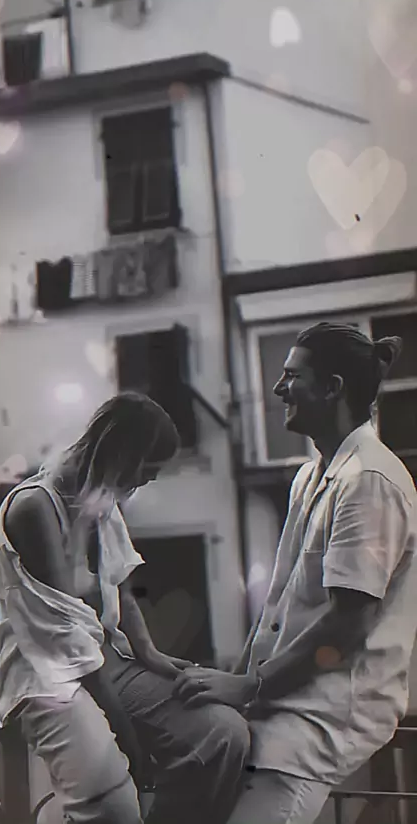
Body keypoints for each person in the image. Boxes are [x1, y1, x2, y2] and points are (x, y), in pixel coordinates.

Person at [173, 322, 417, 824]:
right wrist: (239, 682)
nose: (279, 388)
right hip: (282, 709)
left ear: (332, 388)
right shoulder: (312, 474)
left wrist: (249, 687)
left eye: (292, 376)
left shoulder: (369, 480)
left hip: (320, 720)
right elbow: (279, 606)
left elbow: (347, 625)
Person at [0, 391, 250, 824]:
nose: (150, 480)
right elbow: (69, 640)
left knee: (224, 736)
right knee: (113, 806)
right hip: (52, 678)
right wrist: (127, 736)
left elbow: (122, 590)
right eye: (148, 469)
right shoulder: (35, 507)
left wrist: (150, 654)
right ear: (123, 452)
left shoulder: (101, 500)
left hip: (110, 664)